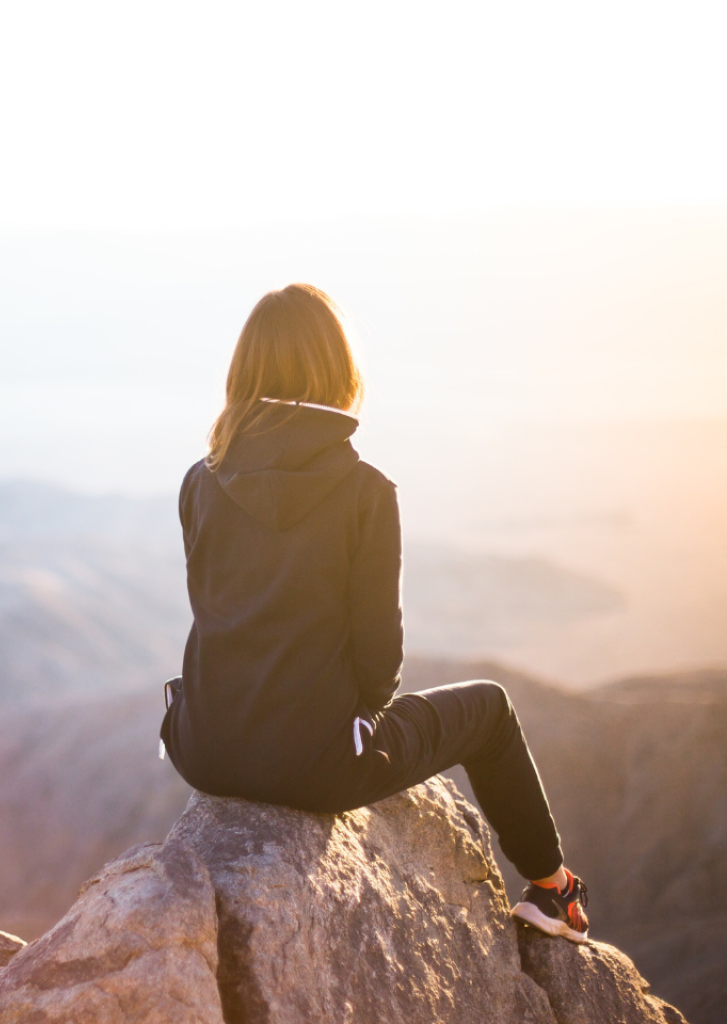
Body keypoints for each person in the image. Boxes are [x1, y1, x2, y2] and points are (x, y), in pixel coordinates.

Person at [160, 283, 589, 943]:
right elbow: (380, 667)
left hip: (202, 748)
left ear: (243, 372)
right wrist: (346, 724)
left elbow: (217, 613)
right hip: (317, 767)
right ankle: (554, 890)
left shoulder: (200, 478)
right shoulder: (365, 492)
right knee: (492, 710)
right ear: (338, 370)